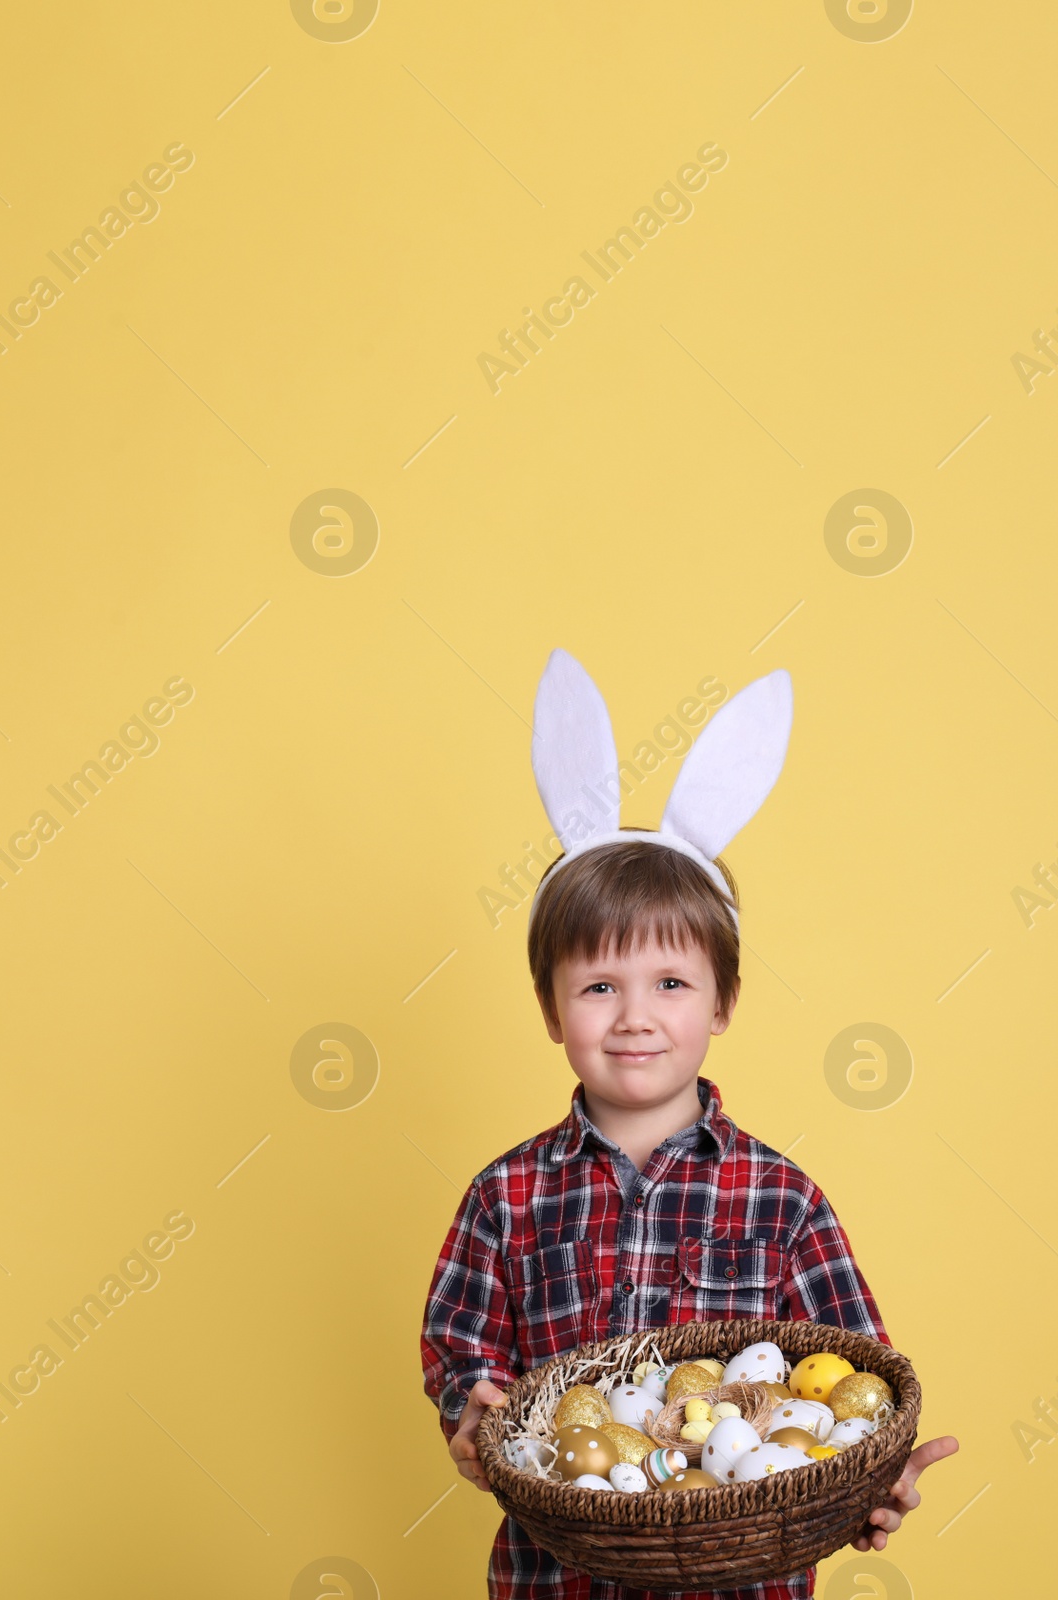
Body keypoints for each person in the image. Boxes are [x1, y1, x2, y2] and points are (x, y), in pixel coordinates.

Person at [419, 650, 959, 1599]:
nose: (634, 1015)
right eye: (598, 986)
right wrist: (472, 1410)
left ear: (722, 1004)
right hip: (556, 1579)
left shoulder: (783, 1201)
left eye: (670, 983)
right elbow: (460, 1346)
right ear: (552, 1012)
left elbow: (851, 1384)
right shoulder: (505, 1196)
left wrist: (876, 1476)